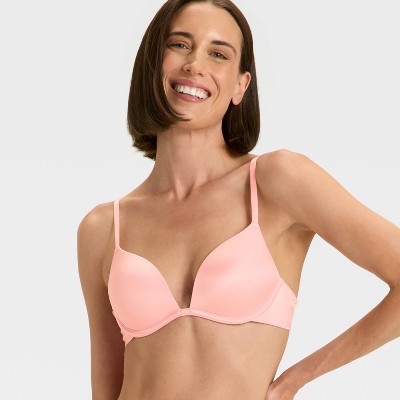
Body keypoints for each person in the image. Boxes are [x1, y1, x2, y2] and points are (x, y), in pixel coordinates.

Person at [77, 1, 400, 399]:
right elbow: (106, 390)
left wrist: (296, 379)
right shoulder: (103, 228)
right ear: (152, 65)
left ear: (240, 86)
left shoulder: (277, 182)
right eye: (179, 45)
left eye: (218, 54)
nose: (195, 64)